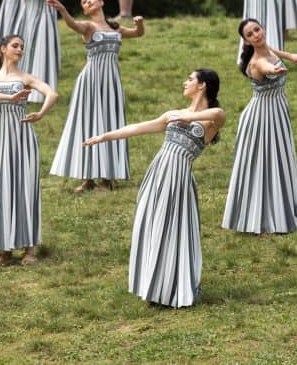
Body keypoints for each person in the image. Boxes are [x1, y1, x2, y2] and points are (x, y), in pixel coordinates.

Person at [84, 69, 225, 308]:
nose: (185, 81)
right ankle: (153, 285)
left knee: (175, 229)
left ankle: (173, 286)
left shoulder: (211, 119)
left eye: (190, 79)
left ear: (202, 86)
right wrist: (104, 137)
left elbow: (219, 114)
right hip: (158, 174)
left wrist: (188, 118)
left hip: (179, 176)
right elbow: (138, 127)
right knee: (153, 224)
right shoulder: (172, 114)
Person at [0, 34, 58, 266]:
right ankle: (4, 248)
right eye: (15, 46)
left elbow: (52, 93)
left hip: (22, 136)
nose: (20, 49)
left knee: (24, 187)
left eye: (22, 47)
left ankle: (29, 250)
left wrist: (40, 114)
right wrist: (10, 97)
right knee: (1, 186)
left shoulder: (26, 77)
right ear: (3, 49)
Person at [48, 0, 144, 193]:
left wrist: (140, 23)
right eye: (83, 1)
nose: (88, 1)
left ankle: (108, 179)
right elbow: (73, 25)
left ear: (101, 2)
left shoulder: (115, 28)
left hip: (112, 83)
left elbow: (137, 33)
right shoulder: (88, 26)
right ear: (85, 10)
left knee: (111, 123)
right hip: (90, 81)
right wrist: (63, 11)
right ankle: (88, 178)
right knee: (88, 124)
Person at [223, 19, 297, 234]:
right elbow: (266, 66)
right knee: (264, 163)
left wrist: (292, 56)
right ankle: (261, 219)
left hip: (276, 112)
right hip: (262, 117)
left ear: (262, 29)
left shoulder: (266, 48)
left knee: (278, 160)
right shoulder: (256, 62)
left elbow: (273, 51)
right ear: (246, 41)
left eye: (257, 29)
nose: (256, 35)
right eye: (250, 34)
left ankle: (276, 211)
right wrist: (274, 70)